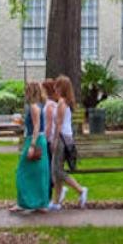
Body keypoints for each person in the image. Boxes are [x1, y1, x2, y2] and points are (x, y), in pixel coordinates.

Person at [48, 75, 87, 210]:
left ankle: (80, 190)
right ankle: (56, 201)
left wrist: (54, 140)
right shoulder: (67, 103)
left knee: (57, 170)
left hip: (61, 139)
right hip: (67, 138)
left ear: (61, 88)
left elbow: (58, 124)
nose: (55, 88)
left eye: (57, 86)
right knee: (56, 170)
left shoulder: (61, 103)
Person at [10, 81, 50, 212]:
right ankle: (40, 203)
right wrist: (23, 122)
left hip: (34, 140)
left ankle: (23, 202)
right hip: (41, 140)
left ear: (30, 92)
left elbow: (37, 126)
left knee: (22, 171)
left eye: (26, 90)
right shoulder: (39, 105)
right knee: (39, 173)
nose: (24, 93)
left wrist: (32, 145)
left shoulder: (33, 106)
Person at [41, 79, 58, 199]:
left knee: (47, 167)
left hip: (49, 140)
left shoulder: (49, 106)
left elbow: (49, 125)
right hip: (51, 139)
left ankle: (48, 194)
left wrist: (44, 140)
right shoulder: (53, 104)